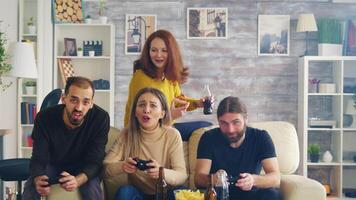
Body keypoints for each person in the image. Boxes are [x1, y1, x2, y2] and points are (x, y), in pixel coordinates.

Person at [22, 76, 110, 200]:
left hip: (84, 167)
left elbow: (95, 160)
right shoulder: (44, 117)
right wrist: (38, 178)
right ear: (64, 99)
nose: (79, 108)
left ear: (91, 104)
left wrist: (77, 180)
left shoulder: (100, 118)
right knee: (32, 185)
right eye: (74, 100)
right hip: (53, 165)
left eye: (85, 102)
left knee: (91, 189)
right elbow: (38, 157)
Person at [124, 29, 212, 140]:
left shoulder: (169, 77)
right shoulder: (141, 78)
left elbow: (178, 100)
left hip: (166, 126)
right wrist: (169, 117)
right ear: (148, 52)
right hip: (143, 134)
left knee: (206, 127)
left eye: (164, 50)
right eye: (154, 50)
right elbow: (143, 117)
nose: (158, 55)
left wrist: (197, 103)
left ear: (172, 53)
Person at [104, 87, 187, 200]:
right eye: (142, 105)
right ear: (135, 112)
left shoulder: (172, 135)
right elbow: (105, 168)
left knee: (182, 192)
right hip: (139, 195)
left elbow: (182, 175)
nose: (146, 110)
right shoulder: (127, 134)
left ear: (162, 113)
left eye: (153, 105)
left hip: (165, 194)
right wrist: (122, 166)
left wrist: (161, 173)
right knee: (125, 191)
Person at [195, 96, 281, 200]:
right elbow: (198, 179)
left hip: (251, 195)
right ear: (218, 121)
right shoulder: (208, 138)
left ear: (246, 119)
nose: (230, 129)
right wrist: (213, 179)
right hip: (219, 195)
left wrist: (253, 180)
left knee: (272, 194)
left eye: (236, 122)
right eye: (224, 123)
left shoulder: (261, 137)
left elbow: (276, 178)